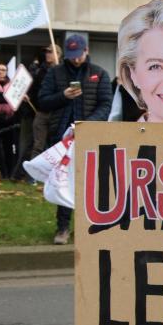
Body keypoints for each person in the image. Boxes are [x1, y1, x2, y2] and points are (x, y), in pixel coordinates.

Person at [37, 34, 112, 245]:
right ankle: (62, 227)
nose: (76, 59)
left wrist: (88, 125)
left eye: (78, 55)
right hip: (62, 138)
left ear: (86, 51)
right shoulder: (55, 73)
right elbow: (42, 101)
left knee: (93, 183)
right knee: (64, 182)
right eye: (72, 56)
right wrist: (63, 96)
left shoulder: (99, 73)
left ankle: (92, 225)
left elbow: (106, 104)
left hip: (90, 135)